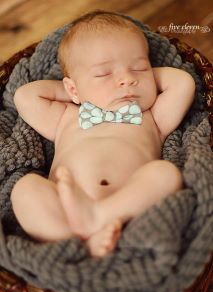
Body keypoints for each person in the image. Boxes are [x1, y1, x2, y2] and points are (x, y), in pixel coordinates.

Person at [11, 10, 195, 257]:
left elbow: (183, 82)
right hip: (65, 208)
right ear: (72, 88)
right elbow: (25, 96)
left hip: (127, 206)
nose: (126, 80)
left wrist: (140, 81)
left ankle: (99, 217)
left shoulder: (153, 118)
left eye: (140, 68)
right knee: (24, 189)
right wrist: (81, 94)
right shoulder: (65, 117)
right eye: (104, 74)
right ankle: (72, 240)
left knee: (166, 174)